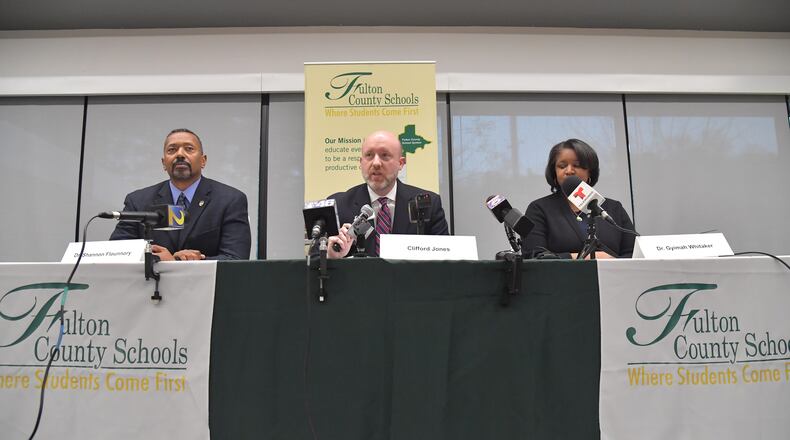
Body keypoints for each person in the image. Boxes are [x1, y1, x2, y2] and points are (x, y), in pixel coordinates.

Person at [110, 128, 251, 260]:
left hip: (206, 285)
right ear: (164, 163)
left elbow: (236, 258)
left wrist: (178, 262)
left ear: (203, 161)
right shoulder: (138, 201)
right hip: (150, 285)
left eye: (189, 149)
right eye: (172, 150)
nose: (180, 154)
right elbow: (118, 252)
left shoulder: (230, 200)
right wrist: (157, 259)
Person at [327, 130, 449, 258]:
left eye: (385, 155)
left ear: (400, 163)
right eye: (369, 155)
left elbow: (446, 261)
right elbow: (314, 262)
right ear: (361, 163)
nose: (376, 163)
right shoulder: (338, 205)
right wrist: (332, 257)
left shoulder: (428, 204)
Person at [523, 138, 634, 259]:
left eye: (577, 165)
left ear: (590, 172)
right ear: (554, 172)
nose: (569, 171)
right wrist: (585, 258)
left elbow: (633, 254)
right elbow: (534, 257)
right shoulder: (539, 209)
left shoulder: (614, 208)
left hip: (612, 277)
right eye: (562, 166)